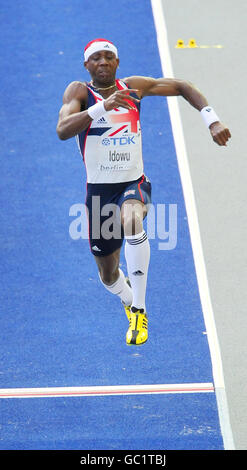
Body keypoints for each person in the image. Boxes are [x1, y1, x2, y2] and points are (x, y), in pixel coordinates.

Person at [56, 38, 231, 346]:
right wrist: (102, 108)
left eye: (109, 57)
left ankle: (139, 307)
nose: (103, 62)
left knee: (132, 219)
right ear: (87, 65)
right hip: (99, 192)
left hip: (133, 183)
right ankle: (126, 298)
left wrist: (211, 119)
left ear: (117, 63)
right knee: (108, 277)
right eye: (96, 58)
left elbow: (181, 86)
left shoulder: (134, 88)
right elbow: (62, 130)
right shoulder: (80, 92)